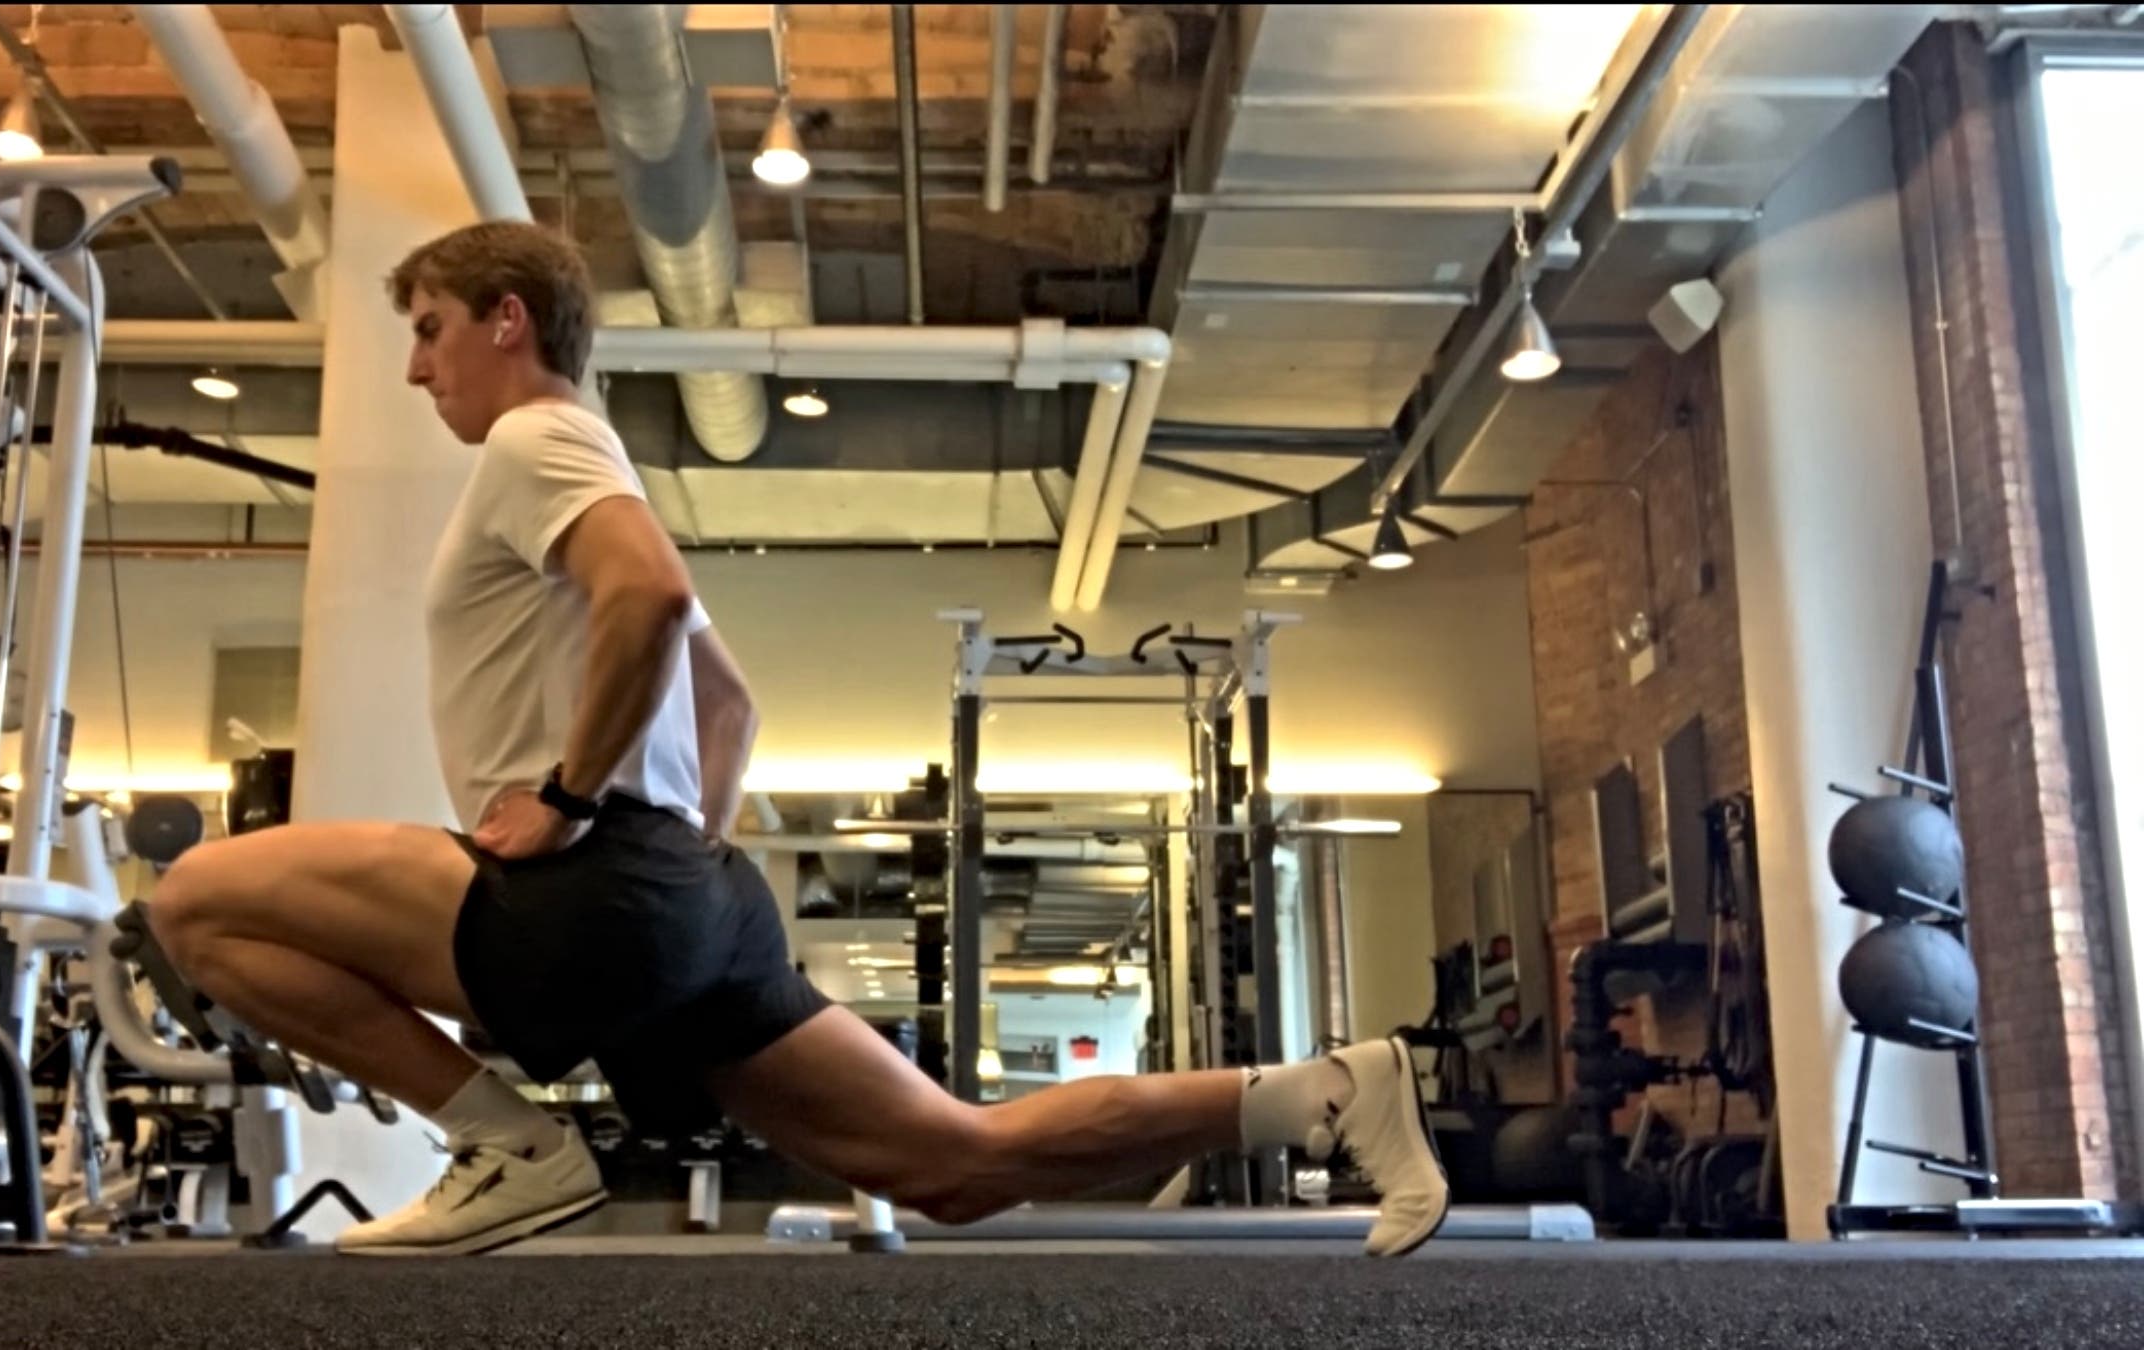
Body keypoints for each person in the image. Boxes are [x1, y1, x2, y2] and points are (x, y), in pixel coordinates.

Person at [148, 221, 1450, 1258]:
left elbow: (648, 601)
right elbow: (730, 702)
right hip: (686, 899)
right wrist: (675, 869)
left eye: (430, 331)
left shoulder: (537, 436)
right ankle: (1336, 1090)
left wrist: (565, 800)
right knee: (953, 1162)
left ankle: (504, 1146)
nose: (419, 367)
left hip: (594, 879)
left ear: (509, 319)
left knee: (198, 900)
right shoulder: (585, 463)